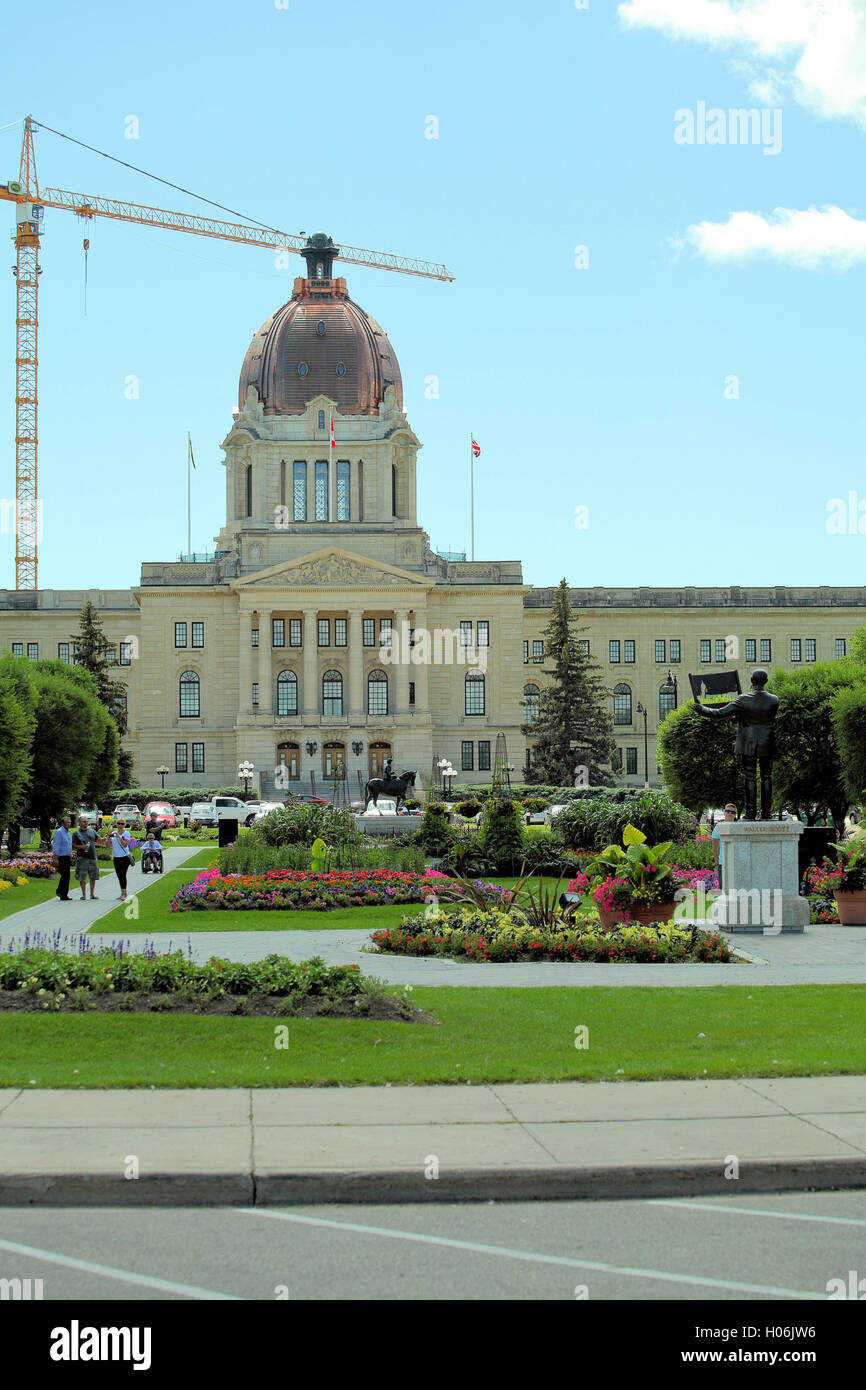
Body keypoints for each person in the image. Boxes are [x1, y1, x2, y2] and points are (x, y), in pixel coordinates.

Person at [694, 668, 779, 821]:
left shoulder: (743, 700)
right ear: (765, 681)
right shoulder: (774, 700)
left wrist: (702, 710)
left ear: (751, 681)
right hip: (768, 741)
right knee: (767, 776)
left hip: (748, 742)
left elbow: (718, 713)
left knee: (750, 777)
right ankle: (767, 812)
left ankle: (751, 813)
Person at [71, 813, 100, 901]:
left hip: (92, 856)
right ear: (79, 823)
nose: (86, 823)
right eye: (84, 822)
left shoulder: (92, 831)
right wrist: (82, 847)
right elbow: (72, 845)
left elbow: (99, 839)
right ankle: (84, 894)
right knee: (82, 876)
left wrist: (106, 838)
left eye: (87, 821)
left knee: (93, 876)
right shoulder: (76, 833)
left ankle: (92, 894)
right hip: (82, 857)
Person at [711, 804, 737, 890]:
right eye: (727, 811)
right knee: (724, 889)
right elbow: (715, 847)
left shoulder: (739, 828)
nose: (730, 814)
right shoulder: (718, 828)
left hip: (737, 863)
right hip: (723, 863)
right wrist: (717, 863)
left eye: (732, 812)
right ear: (724, 813)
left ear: (735, 814)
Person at [110, 819, 134, 900]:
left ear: (124, 825)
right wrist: (108, 836)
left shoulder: (126, 833)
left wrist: (119, 837)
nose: (120, 825)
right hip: (116, 857)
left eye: (122, 824)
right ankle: (123, 892)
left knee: (122, 875)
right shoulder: (113, 833)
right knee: (119, 875)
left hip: (124, 857)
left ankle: (123, 894)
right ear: (116, 824)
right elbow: (107, 845)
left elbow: (125, 845)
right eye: (118, 824)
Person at [51, 816, 73, 902]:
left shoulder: (68, 832)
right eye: (67, 823)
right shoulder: (59, 832)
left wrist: (70, 854)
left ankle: (63, 892)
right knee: (65, 875)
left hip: (67, 856)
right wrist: (55, 858)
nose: (68, 824)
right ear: (62, 823)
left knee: (66, 876)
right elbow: (56, 845)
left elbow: (68, 845)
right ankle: (61, 892)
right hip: (61, 857)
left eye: (69, 823)